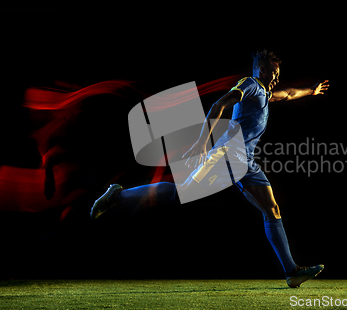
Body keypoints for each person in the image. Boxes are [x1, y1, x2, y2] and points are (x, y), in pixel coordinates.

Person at [91, 50, 329, 288]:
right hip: (228, 154)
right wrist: (202, 142)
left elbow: (287, 94)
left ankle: (291, 271)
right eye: (274, 73)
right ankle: (118, 195)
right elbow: (220, 104)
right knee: (180, 193)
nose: (277, 77)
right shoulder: (250, 84)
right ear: (262, 70)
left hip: (246, 161)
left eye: (279, 73)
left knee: (271, 208)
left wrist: (311, 90)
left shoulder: (264, 93)